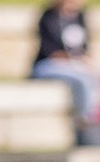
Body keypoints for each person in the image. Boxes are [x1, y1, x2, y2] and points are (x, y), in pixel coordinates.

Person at [32, 0, 100, 146]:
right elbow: (49, 50)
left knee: (95, 76)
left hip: (75, 64)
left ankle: (96, 121)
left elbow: (83, 46)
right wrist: (71, 59)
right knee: (82, 81)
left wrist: (84, 59)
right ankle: (83, 123)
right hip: (49, 64)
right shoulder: (48, 17)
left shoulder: (80, 16)